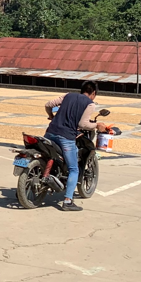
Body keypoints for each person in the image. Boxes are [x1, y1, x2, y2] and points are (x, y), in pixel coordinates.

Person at [44, 82, 104, 212]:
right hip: (66, 137)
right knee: (74, 169)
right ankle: (67, 201)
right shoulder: (90, 104)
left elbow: (48, 105)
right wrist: (97, 125)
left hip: (50, 133)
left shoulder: (68, 95)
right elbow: (83, 124)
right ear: (93, 93)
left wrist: (51, 116)